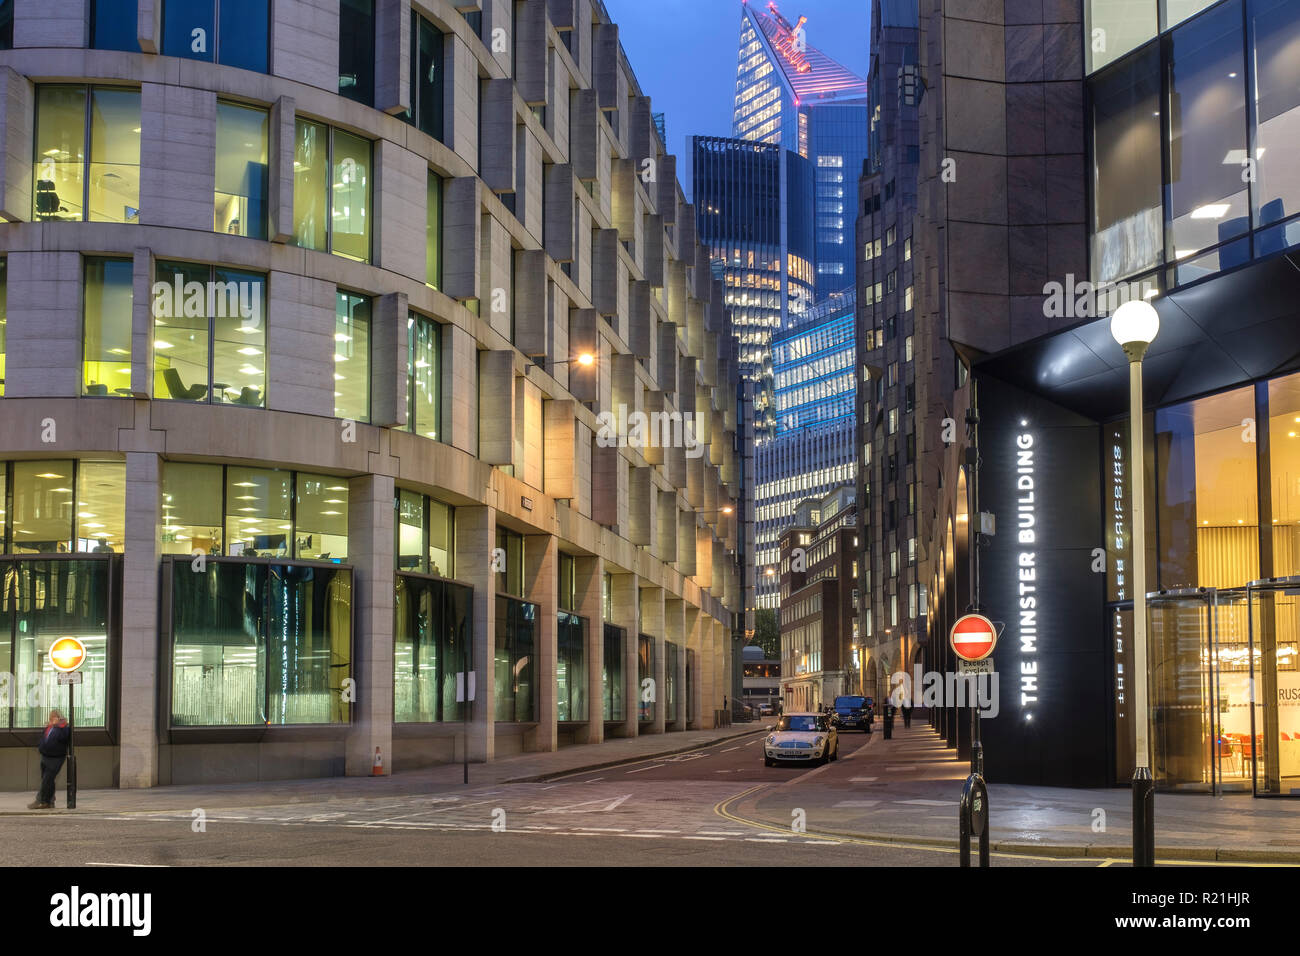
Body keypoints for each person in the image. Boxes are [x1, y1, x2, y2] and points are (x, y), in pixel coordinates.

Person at [29, 709, 71, 810]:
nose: (52, 719)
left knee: (46, 780)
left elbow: (64, 737)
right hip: (45, 756)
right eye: (51, 717)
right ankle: (49, 801)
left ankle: (41, 801)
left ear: (59, 718)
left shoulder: (64, 728)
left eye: (54, 717)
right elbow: (44, 738)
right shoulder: (49, 727)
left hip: (56, 758)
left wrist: (58, 726)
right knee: (48, 780)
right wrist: (40, 747)